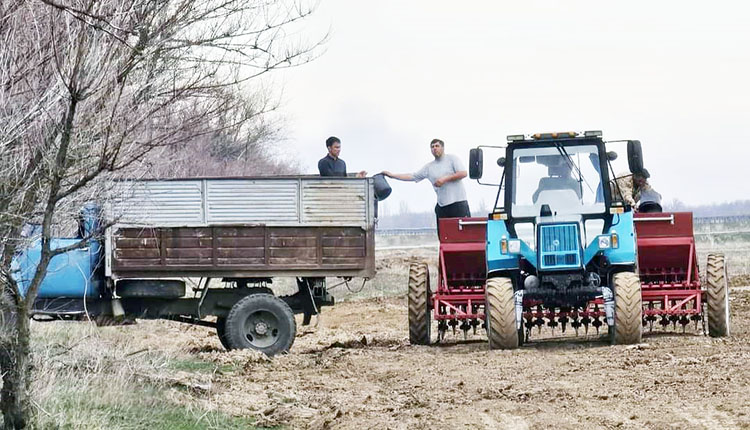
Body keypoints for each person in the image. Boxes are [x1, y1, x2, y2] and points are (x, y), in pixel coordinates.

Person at [382, 138, 470, 228]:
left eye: (437, 146)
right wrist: (392, 175)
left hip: (458, 203)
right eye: (432, 147)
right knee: (445, 238)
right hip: (442, 206)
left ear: (443, 148)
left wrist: (445, 179)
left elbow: (463, 173)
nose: (434, 148)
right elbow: (413, 176)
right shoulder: (429, 167)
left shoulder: (452, 159)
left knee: (464, 235)